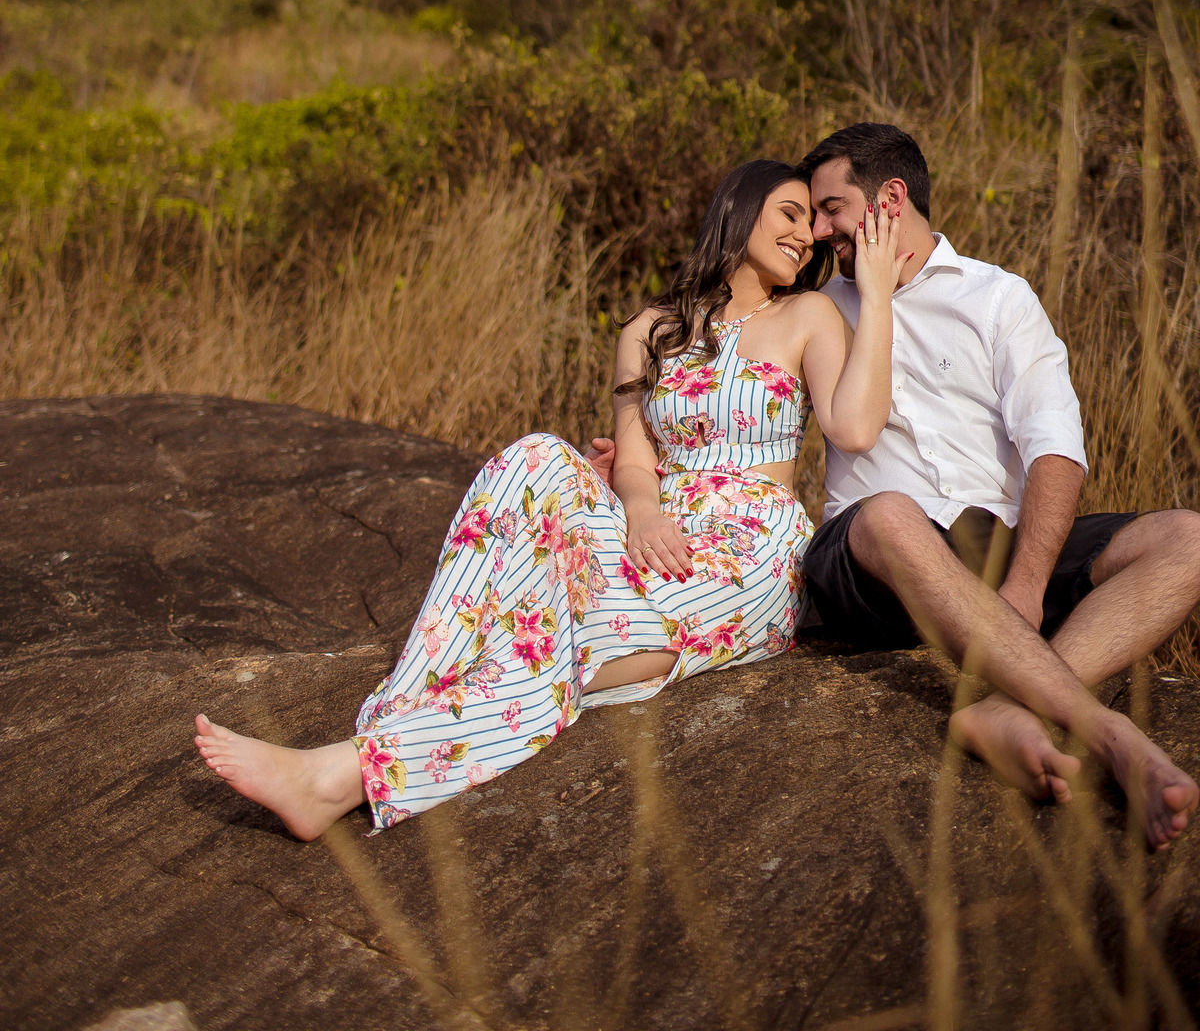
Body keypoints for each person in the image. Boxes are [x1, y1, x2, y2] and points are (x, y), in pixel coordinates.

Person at [194, 158, 909, 838]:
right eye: (789, 213)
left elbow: (853, 426)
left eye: (811, 222)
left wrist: (874, 295)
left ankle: (342, 773)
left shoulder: (809, 315)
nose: (806, 234)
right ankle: (394, 721)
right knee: (537, 459)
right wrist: (642, 511)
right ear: (739, 211)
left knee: (545, 632)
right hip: (658, 525)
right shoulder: (651, 330)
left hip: (751, 549)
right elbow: (634, 460)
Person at [799, 121, 1200, 851]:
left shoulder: (997, 297)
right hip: (873, 560)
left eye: (832, 209)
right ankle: (1106, 733)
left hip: (992, 548)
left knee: (1189, 538)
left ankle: (1008, 705)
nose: (820, 231)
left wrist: (1026, 585)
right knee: (889, 514)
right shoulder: (820, 308)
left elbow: (1055, 446)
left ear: (890, 198)